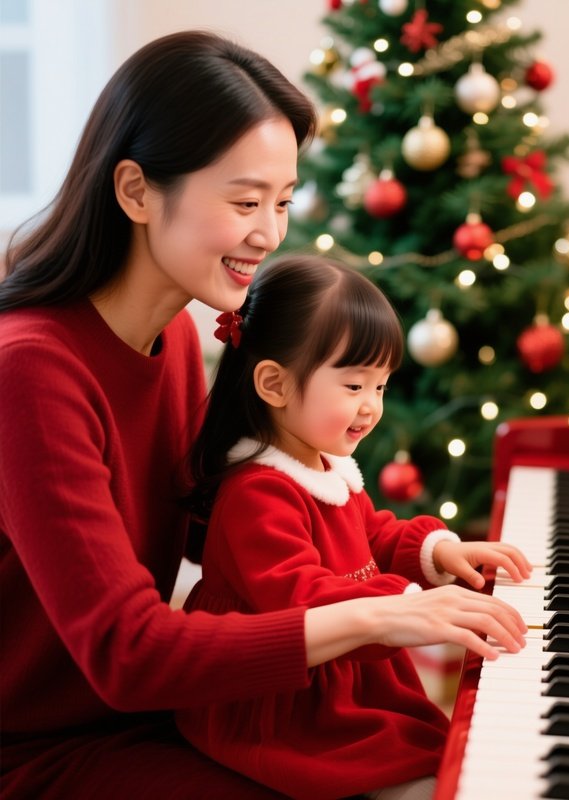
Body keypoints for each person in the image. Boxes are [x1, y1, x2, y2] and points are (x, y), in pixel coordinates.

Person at [0, 30, 528, 800]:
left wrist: (415, 554)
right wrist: (384, 616)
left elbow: (240, 521)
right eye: (245, 202)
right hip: (46, 747)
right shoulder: (31, 369)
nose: (270, 234)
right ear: (137, 191)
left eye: (281, 202)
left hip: (160, 712)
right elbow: (128, 653)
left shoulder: (175, 339)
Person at [175, 255, 532, 800]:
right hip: (288, 704)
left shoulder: (325, 464)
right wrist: (406, 604)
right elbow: (301, 597)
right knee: (431, 778)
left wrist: (440, 552)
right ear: (274, 384)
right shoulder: (257, 492)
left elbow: (372, 535)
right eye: (354, 386)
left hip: (347, 675)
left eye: (380, 387)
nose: (371, 408)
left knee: (448, 757)